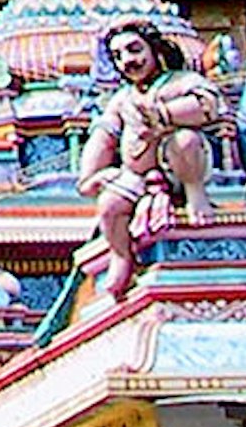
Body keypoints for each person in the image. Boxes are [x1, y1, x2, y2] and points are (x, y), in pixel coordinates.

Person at [81, 20, 229, 298]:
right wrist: (89, 176)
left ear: (155, 50)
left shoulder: (181, 81)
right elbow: (104, 136)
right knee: (109, 206)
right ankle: (122, 256)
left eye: (134, 50)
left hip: (184, 167)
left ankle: (195, 195)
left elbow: (209, 106)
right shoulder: (122, 98)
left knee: (184, 140)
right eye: (118, 56)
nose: (127, 61)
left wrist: (164, 115)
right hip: (137, 176)